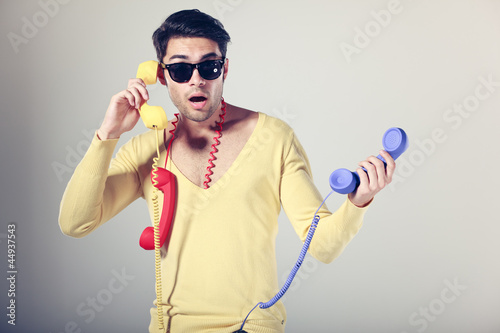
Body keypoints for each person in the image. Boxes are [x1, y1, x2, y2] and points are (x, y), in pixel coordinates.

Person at [58, 9, 395, 333]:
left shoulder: (274, 138)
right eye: (180, 70)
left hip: (251, 326)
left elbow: (321, 246)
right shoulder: (147, 150)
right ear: (160, 76)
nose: (196, 81)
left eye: (209, 67)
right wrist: (108, 134)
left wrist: (358, 201)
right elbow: (75, 223)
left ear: (225, 69)